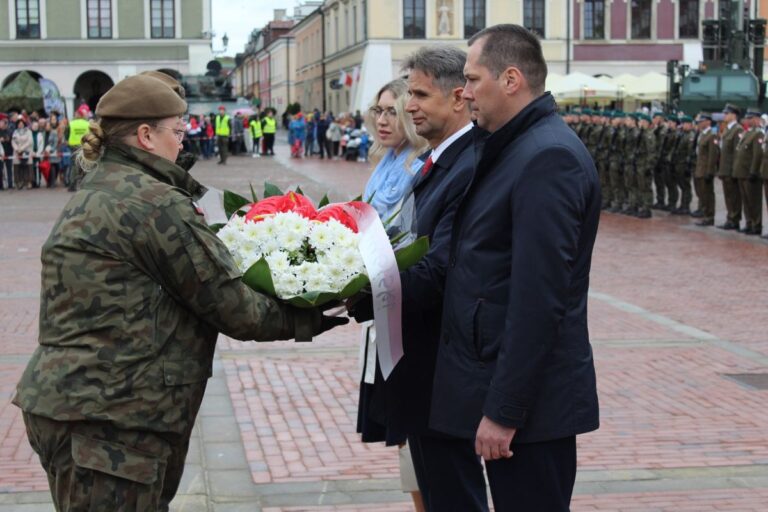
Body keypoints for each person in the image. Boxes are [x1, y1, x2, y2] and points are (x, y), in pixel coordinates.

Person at [13, 73, 346, 512]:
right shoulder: (153, 203)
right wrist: (321, 307)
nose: (184, 140)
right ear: (146, 135)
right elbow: (236, 309)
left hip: (82, 409)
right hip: (113, 422)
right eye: (177, 129)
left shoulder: (102, 188)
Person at [429, 24, 600, 511]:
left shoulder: (547, 157)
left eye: (472, 78)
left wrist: (505, 411)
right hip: (511, 398)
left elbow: (538, 300)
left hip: (531, 412)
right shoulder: (512, 146)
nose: (463, 92)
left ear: (510, 80)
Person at [349, 45, 477, 512]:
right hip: (409, 331)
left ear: (458, 97)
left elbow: (437, 263)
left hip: (434, 340)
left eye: (415, 96)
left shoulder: (454, 163)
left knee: (448, 479)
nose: (403, 109)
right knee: (425, 462)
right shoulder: (414, 163)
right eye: (381, 109)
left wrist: (362, 292)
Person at [351, 77, 429, 510]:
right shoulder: (386, 164)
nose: (382, 120)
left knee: (414, 433)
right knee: (404, 436)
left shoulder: (418, 167)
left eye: (391, 111)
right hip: (385, 310)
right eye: (377, 111)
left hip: (407, 309)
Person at [732, 108, 763, 235]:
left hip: (749, 172)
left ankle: (756, 225)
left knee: (753, 201)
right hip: (742, 172)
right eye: (747, 118)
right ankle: (749, 222)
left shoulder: (758, 134)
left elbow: (757, 155)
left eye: (750, 118)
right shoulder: (747, 133)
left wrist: (753, 171)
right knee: (746, 200)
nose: (748, 120)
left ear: (756, 119)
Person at [717, 104, 744, 230]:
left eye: (727, 114)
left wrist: (734, 170)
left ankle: (735, 219)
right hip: (724, 168)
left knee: (734, 196)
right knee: (728, 195)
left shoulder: (737, 130)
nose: (725, 116)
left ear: (733, 115)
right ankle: (730, 217)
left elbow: (736, 153)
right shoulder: (727, 129)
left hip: (731, 169)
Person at [694, 113, 719, 226]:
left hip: (705, 170)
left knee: (708, 194)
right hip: (699, 168)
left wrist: (710, 171)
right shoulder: (701, 135)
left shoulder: (711, 135)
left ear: (708, 122)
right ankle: (705, 214)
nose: (699, 123)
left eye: (701, 121)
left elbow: (712, 155)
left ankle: (709, 216)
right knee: (701, 194)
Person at [12, 118, 32, 189]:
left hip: (26, 150)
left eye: (22, 123)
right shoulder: (15, 132)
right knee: (17, 167)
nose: (20, 125)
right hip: (17, 151)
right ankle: (18, 182)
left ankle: (28, 182)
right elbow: (13, 141)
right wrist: (17, 149)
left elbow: (29, 141)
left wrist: (22, 149)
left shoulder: (28, 131)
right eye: (19, 124)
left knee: (28, 167)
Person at [0, 115, 14, 190]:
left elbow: (9, 138)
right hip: (0, 153)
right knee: (0, 170)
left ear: (5, 123)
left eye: (1, 123)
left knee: (9, 169)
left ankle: (10, 184)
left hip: (8, 152)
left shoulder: (9, 130)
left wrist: (4, 139)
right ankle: (1, 185)